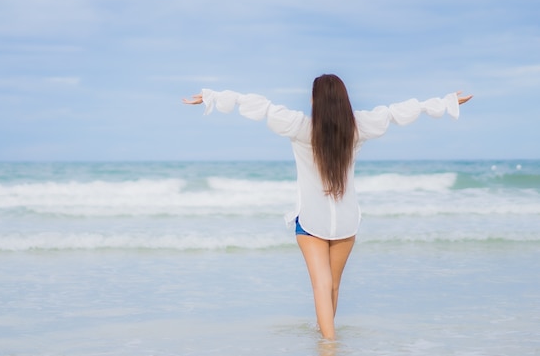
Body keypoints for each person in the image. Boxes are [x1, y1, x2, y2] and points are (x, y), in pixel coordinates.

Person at [183, 74, 472, 340]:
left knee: (321, 286)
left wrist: (211, 96)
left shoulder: (300, 127)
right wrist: (445, 103)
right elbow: (396, 113)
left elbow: (262, 107)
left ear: (314, 100)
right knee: (332, 286)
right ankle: (328, 338)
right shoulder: (357, 128)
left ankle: (328, 345)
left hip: (311, 221)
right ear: (345, 100)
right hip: (346, 222)